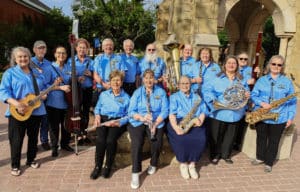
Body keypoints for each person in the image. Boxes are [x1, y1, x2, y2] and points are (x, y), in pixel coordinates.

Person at [0, 47, 49, 176]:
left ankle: (31, 159)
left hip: (36, 111)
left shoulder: (37, 73)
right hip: (17, 112)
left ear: (29, 58)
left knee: (33, 138)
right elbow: (3, 91)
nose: (23, 59)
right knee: (16, 139)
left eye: (25, 56)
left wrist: (44, 95)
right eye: (20, 57)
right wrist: (17, 104)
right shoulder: (10, 73)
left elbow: (43, 88)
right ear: (15, 59)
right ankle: (15, 165)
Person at [250, 55, 297, 173]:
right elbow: (253, 95)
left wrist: (290, 117)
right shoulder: (262, 80)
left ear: (282, 67)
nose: (276, 66)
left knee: (274, 140)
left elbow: (292, 101)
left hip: (279, 117)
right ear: (269, 65)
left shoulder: (287, 82)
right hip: (262, 115)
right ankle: (260, 157)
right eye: (274, 64)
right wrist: (261, 103)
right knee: (261, 138)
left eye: (279, 65)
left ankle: (269, 162)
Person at [203, 55, 250, 164]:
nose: (231, 65)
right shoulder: (216, 78)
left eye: (234, 63)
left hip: (235, 112)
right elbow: (207, 91)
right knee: (216, 135)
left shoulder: (241, 79)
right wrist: (213, 100)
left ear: (237, 66)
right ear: (224, 65)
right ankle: (215, 155)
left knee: (230, 136)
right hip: (219, 111)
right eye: (229, 63)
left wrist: (247, 94)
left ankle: (226, 154)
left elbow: (246, 91)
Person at [127, 69, 169, 189]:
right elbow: (131, 111)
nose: (149, 80)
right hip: (139, 121)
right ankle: (135, 172)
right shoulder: (137, 92)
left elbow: (165, 110)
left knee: (157, 142)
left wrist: (155, 124)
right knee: (137, 142)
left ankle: (153, 163)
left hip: (156, 121)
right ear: (143, 79)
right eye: (146, 78)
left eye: (151, 78)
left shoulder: (160, 92)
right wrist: (141, 117)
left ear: (154, 79)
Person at [90, 70, 130, 180]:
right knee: (101, 140)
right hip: (103, 119)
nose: (116, 83)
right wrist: (97, 116)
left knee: (110, 141)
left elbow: (129, 115)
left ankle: (108, 165)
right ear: (110, 82)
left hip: (117, 121)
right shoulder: (103, 94)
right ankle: (97, 166)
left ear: (121, 82)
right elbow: (97, 108)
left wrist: (119, 122)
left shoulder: (126, 97)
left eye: (118, 80)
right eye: (113, 80)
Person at [167, 76, 207, 179]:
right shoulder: (174, 97)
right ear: (179, 85)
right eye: (183, 83)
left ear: (191, 84)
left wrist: (200, 120)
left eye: (187, 83)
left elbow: (203, 111)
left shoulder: (197, 97)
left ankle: (192, 164)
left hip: (195, 120)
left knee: (200, 138)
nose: (185, 85)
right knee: (181, 139)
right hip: (180, 121)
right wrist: (176, 128)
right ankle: (183, 164)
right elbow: (172, 114)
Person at [46, 46, 73, 157]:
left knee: (66, 125)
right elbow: (46, 86)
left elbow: (72, 83)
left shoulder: (69, 68)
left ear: (66, 55)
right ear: (55, 54)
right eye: (59, 53)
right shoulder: (50, 68)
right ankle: (54, 147)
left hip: (67, 102)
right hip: (53, 102)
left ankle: (65, 144)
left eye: (63, 53)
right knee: (54, 126)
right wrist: (59, 87)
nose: (61, 55)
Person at [67, 38, 94, 144]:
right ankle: (77, 133)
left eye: (84, 48)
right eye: (80, 47)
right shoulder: (71, 61)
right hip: (76, 90)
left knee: (86, 112)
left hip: (87, 90)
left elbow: (96, 75)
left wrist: (90, 74)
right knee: (76, 112)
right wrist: (77, 78)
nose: (82, 49)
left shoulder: (91, 61)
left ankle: (84, 133)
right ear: (76, 48)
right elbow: (68, 75)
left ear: (87, 49)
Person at [234, 52, 260, 150]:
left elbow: (256, 83)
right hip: (236, 99)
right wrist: (246, 81)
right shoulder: (234, 69)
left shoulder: (251, 70)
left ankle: (238, 143)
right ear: (237, 59)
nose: (243, 61)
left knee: (244, 121)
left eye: (245, 59)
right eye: (241, 58)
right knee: (235, 121)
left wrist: (257, 75)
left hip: (248, 99)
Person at [32, 40, 53, 150]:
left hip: (46, 96)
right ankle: (33, 143)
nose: (41, 50)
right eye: (39, 48)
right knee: (34, 122)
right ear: (34, 50)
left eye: (43, 48)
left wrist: (46, 91)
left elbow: (50, 81)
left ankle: (44, 140)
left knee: (45, 120)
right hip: (33, 97)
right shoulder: (29, 62)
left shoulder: (49, 64)